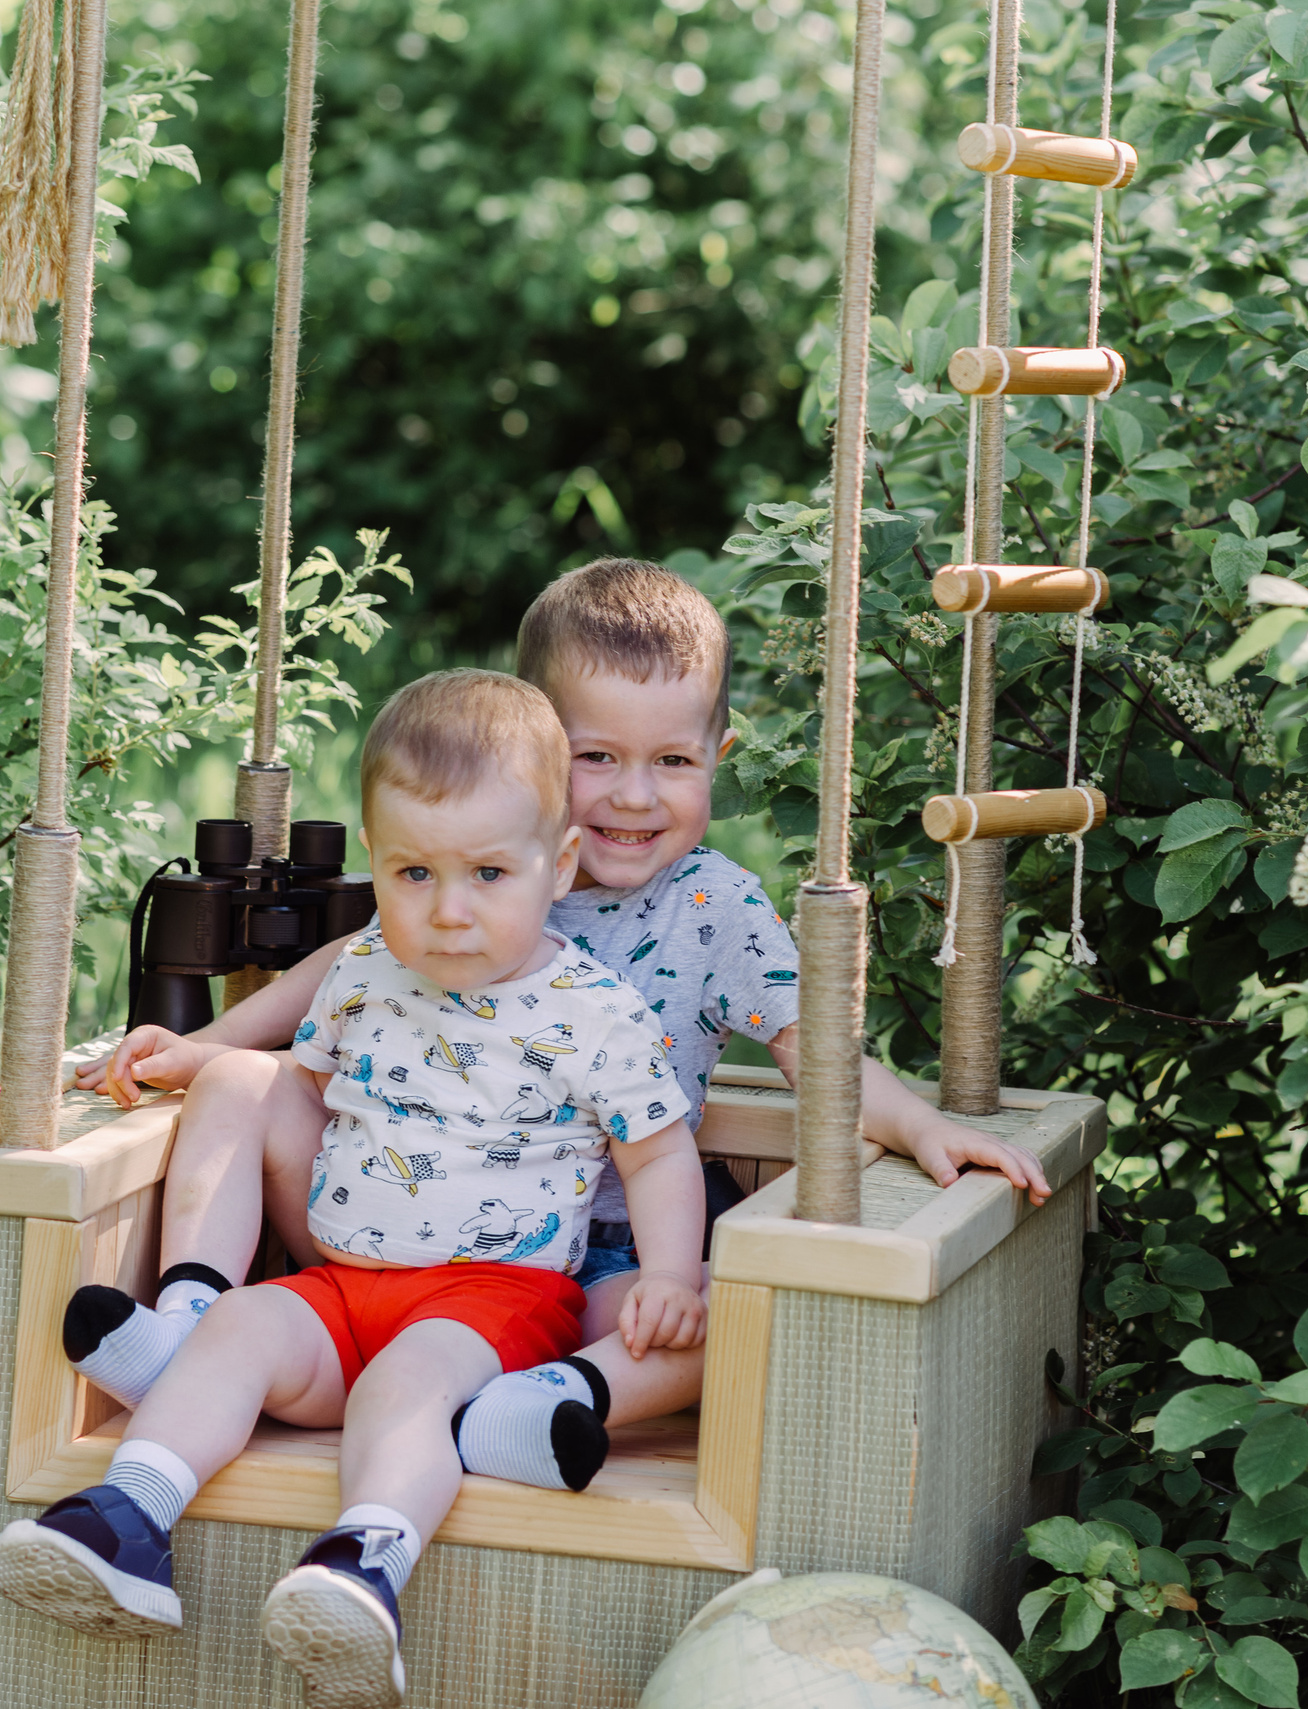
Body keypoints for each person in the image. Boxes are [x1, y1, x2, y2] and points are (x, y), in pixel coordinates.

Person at [64, 558, 1052, 1493]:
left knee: (715, 1313)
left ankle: (540, 1400)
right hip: (388, 1223)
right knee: (241, 1082)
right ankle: (191, 1321)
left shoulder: (715, 905)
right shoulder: (483, 863)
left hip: (600, 1260)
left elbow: (809, 1047)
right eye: (595, 757)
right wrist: (209, 1048)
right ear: (536, 750)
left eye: (671, 759)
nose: (634, 793)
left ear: (719, 753)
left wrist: (917, 1122)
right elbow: (343, 966)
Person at [0, 670, 707, 1708]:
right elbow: (301, 1080)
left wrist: (672, 1270)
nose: (447, 911)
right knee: (237, 1326)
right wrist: (200, 1055)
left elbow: (657, 1150)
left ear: (557, 866)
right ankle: (128, 1516)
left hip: (493, 1298)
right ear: (378, 861)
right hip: (342, 1283)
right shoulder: (370, 967)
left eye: (487, 874)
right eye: (414, 872)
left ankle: (363, 1560)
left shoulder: (595, 1010)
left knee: (408, 1384)